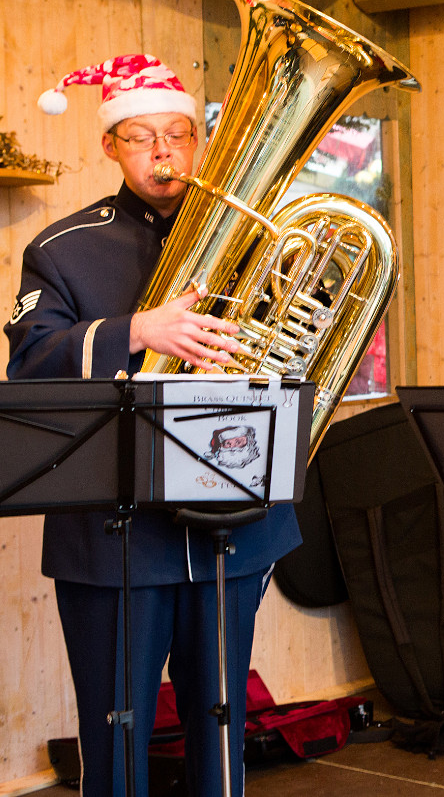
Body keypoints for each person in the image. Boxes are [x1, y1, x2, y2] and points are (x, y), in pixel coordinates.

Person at [6, 54, 301, 797]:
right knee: (117, 734)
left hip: (233, 522)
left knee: (220, 724)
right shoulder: (61, 248)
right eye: (142, 137)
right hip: (117, 536)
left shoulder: (257, 240)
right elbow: (33, 364)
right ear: (110, 145)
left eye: (178, 134)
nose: (165, 152)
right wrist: (138, 329)